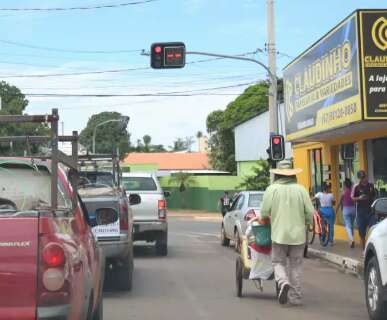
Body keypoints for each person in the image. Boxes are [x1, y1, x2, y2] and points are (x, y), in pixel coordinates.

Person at [260, 160, 314, 306]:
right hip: (298, 235)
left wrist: (265, 220)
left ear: (277, 175)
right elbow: (309, 212)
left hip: (279, 234)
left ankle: (283, 282)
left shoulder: (272, 189)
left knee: (278, 262)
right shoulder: (301, 189)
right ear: (293, 175)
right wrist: (308, 225)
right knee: (296, 265)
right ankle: (296, 297)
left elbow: (264, 213)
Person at [352, 170, 376, 250]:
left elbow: (374, 196)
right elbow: (352, 198)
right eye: (362, 178)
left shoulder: (371, 186)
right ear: (360, 178)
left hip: (370, 213)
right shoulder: (356, 187)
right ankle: (364, 249)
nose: (364, 179)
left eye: (365, 177)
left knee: (373, 230)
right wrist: (359, 198)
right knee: (362, 233)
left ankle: (372, 248)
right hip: (360, 213)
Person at [337, 178, 356, 248]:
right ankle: (351, 241)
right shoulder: (353, 192)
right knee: (351, 226)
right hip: (353, 209)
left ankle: (351, 239)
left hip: (346, 210)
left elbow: (339, 202)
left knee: (348, 226)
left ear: (345, 185)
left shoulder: (343, 192)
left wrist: (336, 210)